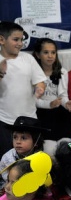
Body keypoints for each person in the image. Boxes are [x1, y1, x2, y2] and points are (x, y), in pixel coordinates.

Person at [0, 21, 46, 157]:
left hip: (30, 119)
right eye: (16, 39)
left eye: (22, 39)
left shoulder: (28, 59)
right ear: (1, 39)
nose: (20, 43)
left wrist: (40, 88)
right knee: (7, 159)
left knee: (34, 159)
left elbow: (40, 81)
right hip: (6, 121)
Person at [33, 38, 71, 146]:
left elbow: (63, 96)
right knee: (48, 148)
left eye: (53, 52)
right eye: (46, 52)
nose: (50, 56)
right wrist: (49, 104)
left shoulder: (62, 72)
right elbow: (33, 100)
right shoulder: (33, 74)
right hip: (42, 114)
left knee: (67, 146)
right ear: (38, 55)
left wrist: (66, 104)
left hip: (59, 114)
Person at [0, 116, 50, 190]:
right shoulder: (7, 158)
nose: (18, 142)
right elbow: (6, 180)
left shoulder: (44, 157)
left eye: (23, 138)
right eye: (15, 137)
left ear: (36, 141)